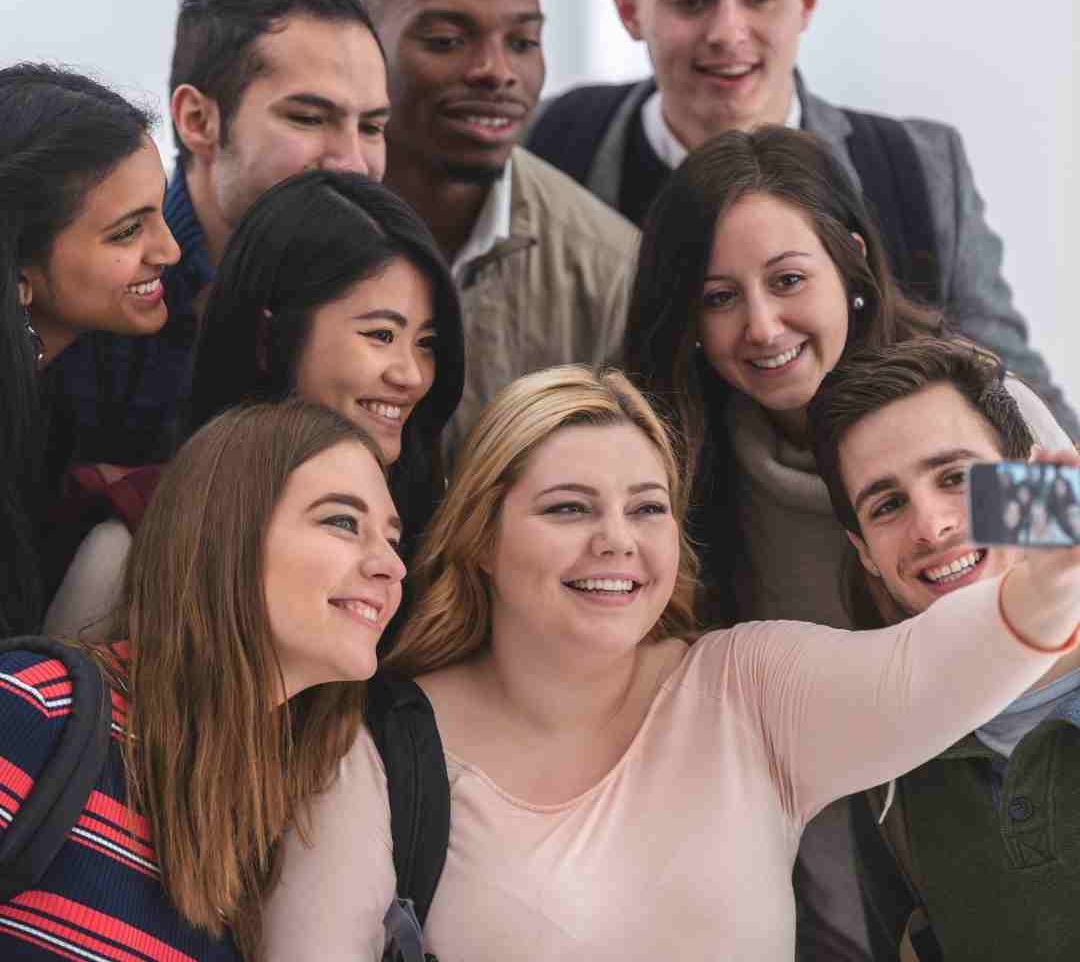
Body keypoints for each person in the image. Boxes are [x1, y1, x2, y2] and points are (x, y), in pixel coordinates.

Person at [262, 364, 1080, 961]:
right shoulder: (379, 751)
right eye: (568, 508)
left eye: (647, 508)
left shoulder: (747, 688)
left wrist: (1054, 566)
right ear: (480, 535)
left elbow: (929, 668)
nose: (617, 540)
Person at [622, 124, 1074, 958]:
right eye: (719, 297)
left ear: (852, 267)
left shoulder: (966, 406)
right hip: (836, 837)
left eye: (789, 280)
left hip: (1011, 786)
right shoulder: (689, 469)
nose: (762, 326)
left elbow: (1067, 596)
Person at [525, 0, 1078, 440]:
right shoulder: (550, 146)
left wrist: (1054, 517)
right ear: (630, 10)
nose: (727, 33)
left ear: (806, 1)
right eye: (691, 1)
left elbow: (1016, 409)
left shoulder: (918, 169)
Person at [0, 398, 405, 960]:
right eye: (343, 521)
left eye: (392, 538)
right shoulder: (33, 708)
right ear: (226, 533)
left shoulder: (281, 815)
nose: (391, 564)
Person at [45, 171, 464, 642]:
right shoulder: (137, 543)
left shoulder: (439, 543)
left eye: (427, 343)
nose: (410, 375)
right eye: (381, 335)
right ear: (269, 337)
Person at [56, 0, 392, 466]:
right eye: (307, 117)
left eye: (371, 127)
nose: (353, 163)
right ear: (197, 120)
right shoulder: (92, 304)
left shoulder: (397, 295)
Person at [807, 337, 1080, 960]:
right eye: (888, 504)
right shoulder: (886, 768)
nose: (931, 526)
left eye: (955, 477)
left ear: (1032, 480)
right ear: (864, 555)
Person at [352, 0, 639, 444]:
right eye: (447, 41)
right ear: (362, 42)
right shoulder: (291, 227)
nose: (496, 71)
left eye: (522, 41)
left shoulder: (612, 274)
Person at [0, 62, 180, 636]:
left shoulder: (67, 385)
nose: (171, 250)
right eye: (128, 231)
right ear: (18, 268)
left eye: (162, 210)